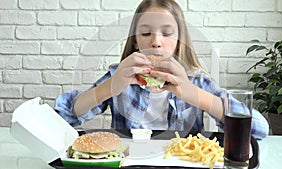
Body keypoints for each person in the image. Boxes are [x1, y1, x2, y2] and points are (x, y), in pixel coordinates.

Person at [54, 0, 269, 139]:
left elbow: (259, 129)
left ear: (179, 41)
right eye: (146, 33)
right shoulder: (118, 76)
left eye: (167, 33)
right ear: (136, 42)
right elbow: (62, 117)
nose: (156, 42)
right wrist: (110, 87)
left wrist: (193, 94)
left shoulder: (197, 80)